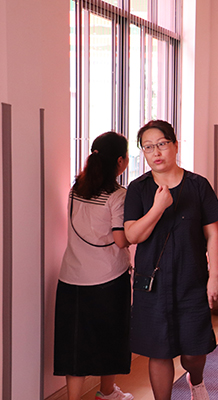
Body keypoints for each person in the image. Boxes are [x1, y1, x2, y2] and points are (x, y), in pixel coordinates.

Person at [124, 120, 218, 400]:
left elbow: (213, 235)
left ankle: (196, 380)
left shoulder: (198, 185)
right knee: (159, 351)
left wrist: (215, 277)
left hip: (191, 281)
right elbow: (132, 235)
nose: (155, 152)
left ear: (175, 145)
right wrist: (157, 208)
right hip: (152, 283)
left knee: (194, 351)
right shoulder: (138, 188)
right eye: (148, 147)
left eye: (161, 144)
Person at [54, 132, 133, 400]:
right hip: (109, 278)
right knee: (111, 338)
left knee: (74, 344)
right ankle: (107, 392)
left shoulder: (76, 189)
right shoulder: (118, 195)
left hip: (71, 278)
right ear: (120, 161)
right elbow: (120, 240)